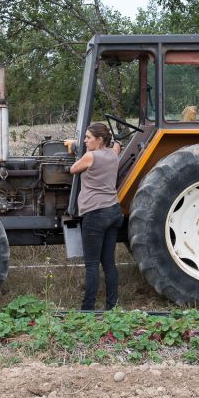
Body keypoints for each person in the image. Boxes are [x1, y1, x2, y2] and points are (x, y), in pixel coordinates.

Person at [70, 123, 124, 310]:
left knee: (92, 264)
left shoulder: (90, 156)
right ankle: (112, 307)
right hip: (114, 211)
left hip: (95, 214)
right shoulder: (113, 153)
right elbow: (117, 145)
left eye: (88, 138)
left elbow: (73, 169)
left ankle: (87, 308)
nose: (85, 141)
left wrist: (73, 150)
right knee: (108, 262)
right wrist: (117, 140)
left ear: (99, 140)